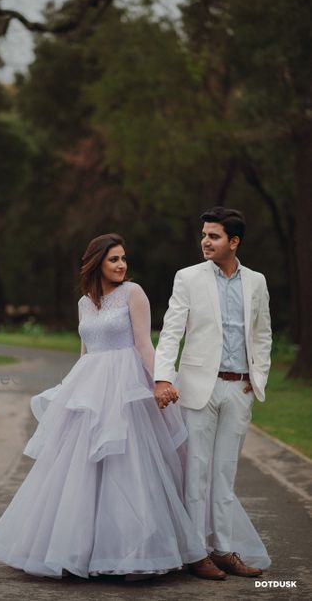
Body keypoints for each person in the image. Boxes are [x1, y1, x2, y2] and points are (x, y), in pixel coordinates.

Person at [0, 233, 207, 580]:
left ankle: (134, 552)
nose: (121, 265)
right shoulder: (84, 303)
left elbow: (145, 344)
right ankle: (78, 550)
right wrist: (70, 391)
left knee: (129, 466)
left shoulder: (133, 293)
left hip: (127, 386)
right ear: (96, 263)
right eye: (113, 259)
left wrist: (161, 381)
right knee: (79, 470)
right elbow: (86, 352)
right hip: (90, 386)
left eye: (123, 259)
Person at [154, 207, 272, 580]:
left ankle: (222, 550)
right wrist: (162, 378)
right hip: (197, 389)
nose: (206, 241)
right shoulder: (187, 278)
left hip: (239, 388)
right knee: (197, 474)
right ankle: (194, 552)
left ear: (233, 242)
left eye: (214, 236)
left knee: (226, 473)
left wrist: (258, 378)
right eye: (204, 234)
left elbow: (263, 334)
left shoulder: (256, 282)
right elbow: (171, 331)